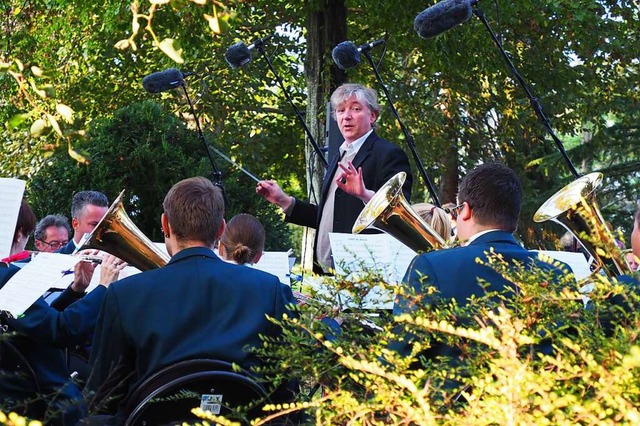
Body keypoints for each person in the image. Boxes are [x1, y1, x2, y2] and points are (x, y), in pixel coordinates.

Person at [86, 177, 296, 423]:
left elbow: (102, 396)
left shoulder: (124, 294)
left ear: (165, 224)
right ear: (221, 229)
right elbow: (286, 390)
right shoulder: (270, 290)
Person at [393, 163, 570, 357]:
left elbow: (401, 355)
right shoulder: (559, 272)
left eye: (458, 210)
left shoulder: (429, 266)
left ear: (466, 210)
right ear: (514, 217)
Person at [256, 83, 413, 273]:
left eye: (355, 109)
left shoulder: (388, 154)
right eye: (340, 110)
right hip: (325, 271)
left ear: (372, 116)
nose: (346, 116)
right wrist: (285, 201)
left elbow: (399, 213)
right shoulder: (338, 157)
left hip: (362, 273)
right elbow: (329, 216)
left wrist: (364, 195)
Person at [0, 199, 125, 425]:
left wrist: (75, 291)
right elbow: (61, 331)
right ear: (19, 234)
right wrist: (104, 287)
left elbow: (31, 325)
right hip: (42, 403)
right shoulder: (5, 277)